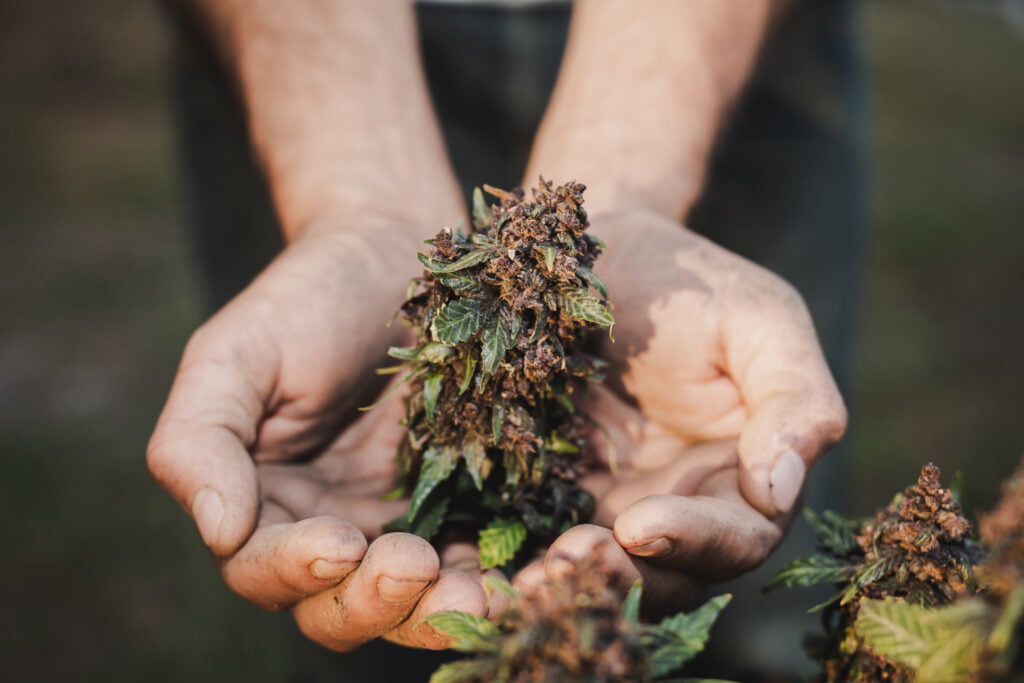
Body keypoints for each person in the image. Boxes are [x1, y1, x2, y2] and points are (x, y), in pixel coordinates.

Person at [150, 0, 864, 676]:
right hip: (303, 48)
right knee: (378, 628)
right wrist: (361, 202)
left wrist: (627, 196)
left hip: (724, 43)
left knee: (749, 615)